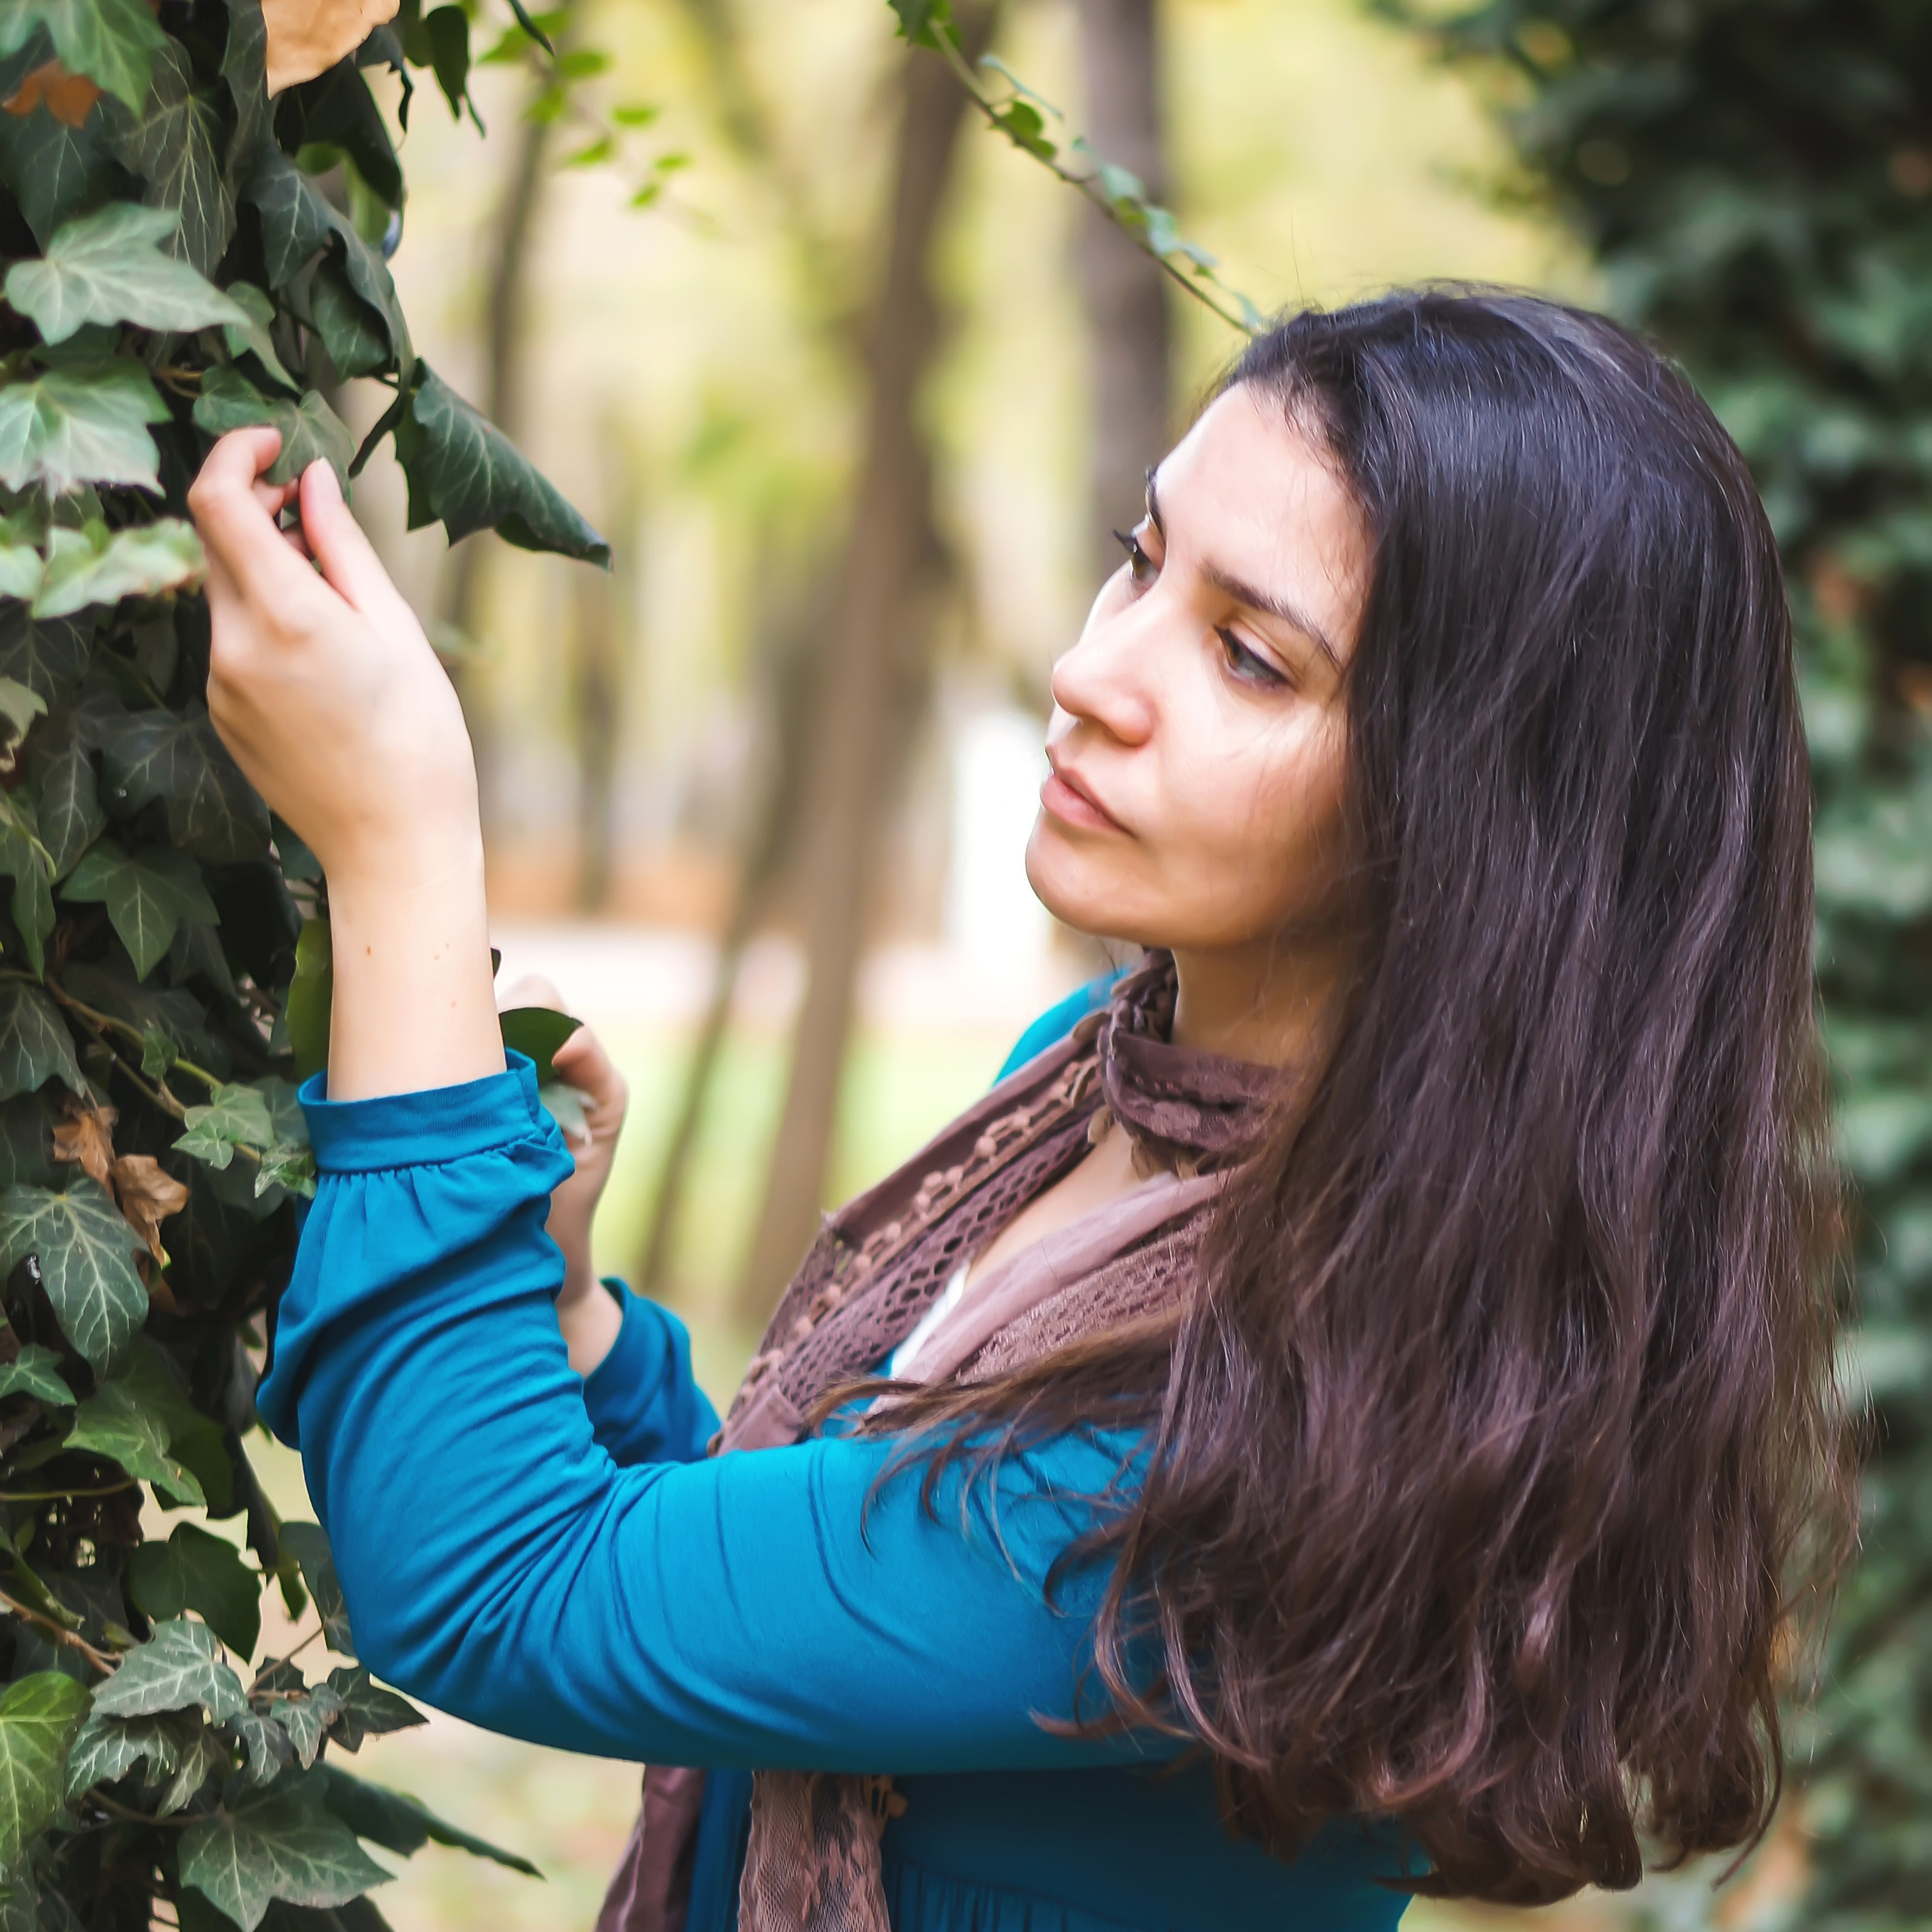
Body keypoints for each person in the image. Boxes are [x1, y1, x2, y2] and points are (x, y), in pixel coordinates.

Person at [189, 290, 1852, 1932]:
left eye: (1249, 658)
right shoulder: (1089, 1076)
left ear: (1486, 820)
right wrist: (563, 1317)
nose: (1087, 670)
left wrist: (397, 842)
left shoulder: (1284, 1405)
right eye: (1139, 561)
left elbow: (506, 1584)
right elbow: (836, 1621)